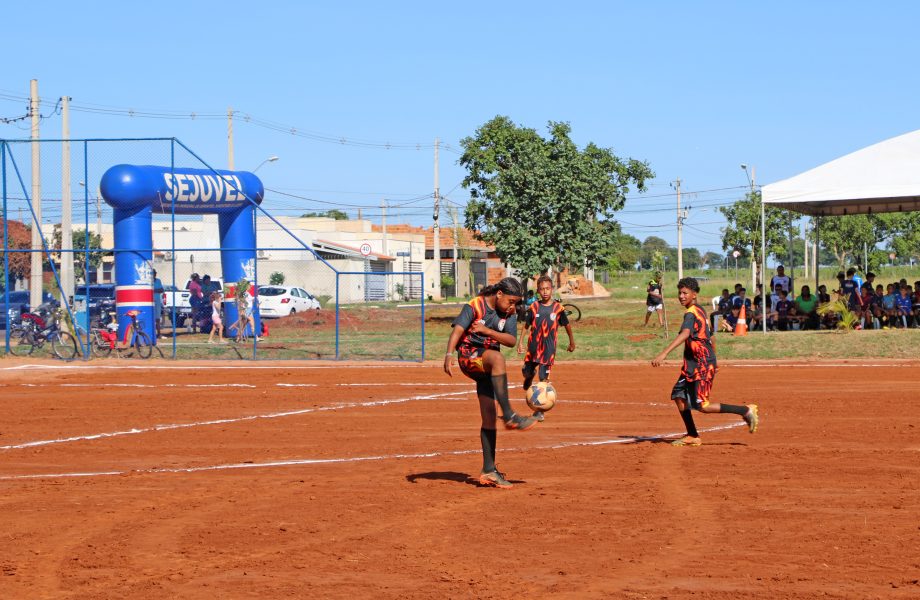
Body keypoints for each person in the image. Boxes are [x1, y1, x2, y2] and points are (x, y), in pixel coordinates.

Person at [444, 277, 536, 489]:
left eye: (516, 303)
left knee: (488, 416)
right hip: (469, 356)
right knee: (498, 358)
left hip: (486, 364)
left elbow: (511, 341)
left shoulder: (509, 313)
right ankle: (510, 415)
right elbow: (458, 329)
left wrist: (488, 331)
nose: (513, 306)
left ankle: (489, 470)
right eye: (510, 301)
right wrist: (449, 354)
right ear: (499, 294)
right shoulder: (476, 305)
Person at [651, 277, 759, 446]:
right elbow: (712, 336)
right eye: (680, 292)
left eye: (685, 293)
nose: (681, 296)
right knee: (679, 396)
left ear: (694, 294)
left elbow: (686, 333)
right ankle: (693, 435)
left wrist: (663, 354)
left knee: (703, 405)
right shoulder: (700, 311)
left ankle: (745, 410)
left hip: (701, 363)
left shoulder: (691, 313)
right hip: (694, 364)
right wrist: (714, 360)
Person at [517, 275, 576, 422]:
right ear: (538, 291)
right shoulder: (534, 307)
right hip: (533, 347)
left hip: (548, 350)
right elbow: (526, 325)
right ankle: (529, 376)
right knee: (526, 371)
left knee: (543, 380)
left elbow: (567, 325)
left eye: (548, 289)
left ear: (552, 290)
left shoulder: (558, 308)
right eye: (542, 289)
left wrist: (571, 342)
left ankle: (540, 411)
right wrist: (520, 342)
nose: (545, 292)